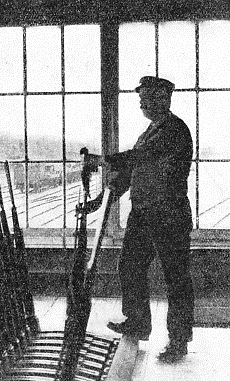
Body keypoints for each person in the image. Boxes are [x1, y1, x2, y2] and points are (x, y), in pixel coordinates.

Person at [82, 76, 194, 363]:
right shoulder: (150, 130)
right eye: (141, 97)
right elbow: (132, 174)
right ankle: (138, 322)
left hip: (169, 214)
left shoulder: (174, 130)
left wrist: (100, 159)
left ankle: (179, 341)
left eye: (148, 97)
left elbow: (139, 158)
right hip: (144, 213)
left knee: (175, 278)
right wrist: (99, 201)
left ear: (164, 99)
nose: (142, 102)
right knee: (129, 266)